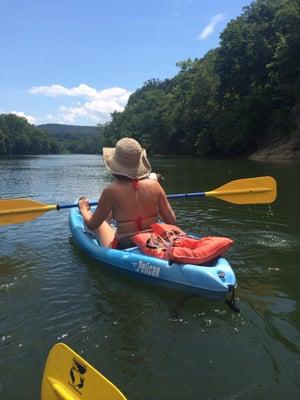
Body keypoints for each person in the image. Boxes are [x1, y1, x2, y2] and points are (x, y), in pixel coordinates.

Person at [78, 137, 176, 249]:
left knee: (102, 224)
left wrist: (83, 209)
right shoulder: (155, 185)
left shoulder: (110, 191)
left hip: (125, 244)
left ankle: (107, 220)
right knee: (109, 213)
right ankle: (109, 216)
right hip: (153, 239)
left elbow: (92, 225)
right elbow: (171, 221)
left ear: (115, 164)